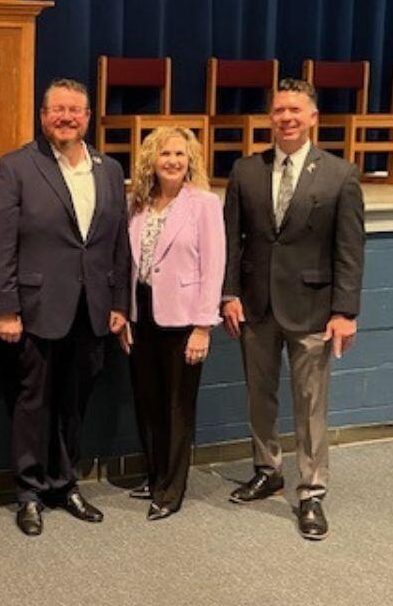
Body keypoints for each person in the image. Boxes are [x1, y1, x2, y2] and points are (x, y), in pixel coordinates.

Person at [0, 77, 131, 536]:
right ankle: (28, 491)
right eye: (57, 110)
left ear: (87, 118)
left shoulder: (107, 169)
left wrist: (120, 302)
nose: (66, 117)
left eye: (75, 110)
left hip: (93, 308)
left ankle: (65, 483)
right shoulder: (15, 167)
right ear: (42, 116)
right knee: (33, 402)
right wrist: (5, 309)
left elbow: (117, 243)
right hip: (36, 307)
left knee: (75, 401)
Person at [222, 78, 365, 540]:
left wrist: (345, 311)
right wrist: (229, 294)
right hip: (256, 307)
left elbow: (349, 249)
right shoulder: (245, 171)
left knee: (310, 405)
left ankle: (312, 492)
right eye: (279, 110)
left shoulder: (340, 175)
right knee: (259, 398)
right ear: (270, 117)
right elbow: (231, 241)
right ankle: (268, 469)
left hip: (313, 310)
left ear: (313, 118)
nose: (286, 118)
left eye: (295, 110)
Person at [121, 127, 225, 521]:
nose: (173, 161)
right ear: (151, 159)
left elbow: (213, 267)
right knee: (148, 402)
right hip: (143, 313)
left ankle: (172, 488)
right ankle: (153, 475)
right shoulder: (137, 203)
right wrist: (125, 315)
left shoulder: (204, 204)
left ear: (190, 160)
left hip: (184, 319)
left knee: (177, 406)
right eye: (165, 154)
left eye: (180, 154)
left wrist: (203, 326)